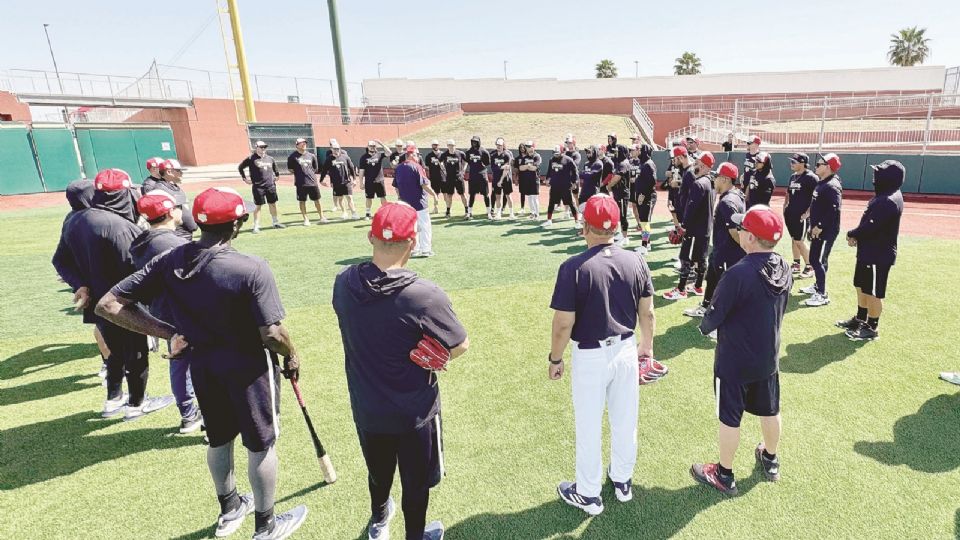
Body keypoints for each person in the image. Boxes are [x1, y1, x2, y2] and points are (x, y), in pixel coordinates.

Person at [96, 186, 309, 540]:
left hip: (203, 367)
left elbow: (108, 304)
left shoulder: (169, 260)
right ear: (238, 224)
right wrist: (293, 353)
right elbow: (271, 333)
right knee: (261, 444)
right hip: (250, 370)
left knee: (219, 439)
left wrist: (169, 333)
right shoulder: (252, 268)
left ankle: (229, 509)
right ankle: (266, 525)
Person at [332, 202, 469, 540]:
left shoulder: (343, 282)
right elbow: (460, 345)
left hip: (366, 405)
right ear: (413, 241)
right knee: (416, 482)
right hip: (415, 412)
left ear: (370, 237)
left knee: (378, 473)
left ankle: (379, 522)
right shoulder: (424, 295)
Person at [549, 194, 659, 516]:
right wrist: (647, 346)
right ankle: (623, 481)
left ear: (585, 226)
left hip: (590, 356)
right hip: (625, 350)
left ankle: (589, 494)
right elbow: (648, 313)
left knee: (588, 425)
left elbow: (562, 325)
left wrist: (555, 359)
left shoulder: (573, 267)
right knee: (626, 420)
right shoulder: (636, 260)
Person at [52, 168, 174, 420]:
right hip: (122, 303)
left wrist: (80, 285)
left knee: (114, 351)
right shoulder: (121, 227)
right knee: (136, 351)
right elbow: (137, 271)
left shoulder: (74, 218)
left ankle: (113, 398)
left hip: (95, 301)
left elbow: (60, 261)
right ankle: (137, 403)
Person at [692, 205, 791, 495]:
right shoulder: (784, 266)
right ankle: (771, 459)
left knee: (729, 417)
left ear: (751, 238)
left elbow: (714, 315)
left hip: (734, 360)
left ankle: (724, 474)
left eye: (743, 229)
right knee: (770, 409)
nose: (738, 231)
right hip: (767, 357)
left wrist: (704, 327)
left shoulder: (739, 273)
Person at [128, 191, 202, 433]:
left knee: (180, 361)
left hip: (159, 310)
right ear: (171, 212)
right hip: (180, 312)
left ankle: (189, 414)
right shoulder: (171, 243)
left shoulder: (142, 239)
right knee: (195, 364)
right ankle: (197, 416)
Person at [837, 160, 905, 341]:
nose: (875, 177)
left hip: (878, 254)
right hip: (869, 251)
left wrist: (852, 233)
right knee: (861, 285)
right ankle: (860, 318)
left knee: (874, 291)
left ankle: (871, 327)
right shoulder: (885, 195)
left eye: (879, 174)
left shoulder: (887, 200)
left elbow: (871, 226)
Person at [54, 178, 111, 379]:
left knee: (102, 325)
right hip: (108, 284)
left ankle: (110, 366)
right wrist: (79, 283)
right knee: (108, 327)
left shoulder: (70, 219)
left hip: (92, 285)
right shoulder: (100, 219)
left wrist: (79, 283)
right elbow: (60, 260)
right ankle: (113, 369)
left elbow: (60, 260)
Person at [683, 162, 746, 320]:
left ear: (724, 179)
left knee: (723, 287)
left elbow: (734, 231)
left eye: (716, 177)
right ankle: (705, 306)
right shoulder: (736, 194)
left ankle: (721, 319)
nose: (714, 180)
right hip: (720, 249)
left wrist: (745, 250)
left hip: (727, 253)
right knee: (711, 279)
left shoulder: (727, 202)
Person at [663, 152, 716, 300]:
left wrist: (683, 226)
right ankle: (698, 286)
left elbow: (692, 208)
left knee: (686, 258)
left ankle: (681, 289)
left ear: (704, 166)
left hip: (694, 228)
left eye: (698, 163)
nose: (695, 165)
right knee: (701, 258)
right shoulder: (711, 181)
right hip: (705, 228)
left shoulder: (699, 184)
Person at [801, 153, 843, 307]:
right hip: (818, 229)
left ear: (829, 167)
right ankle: (818, 285)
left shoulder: (832, 185)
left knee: (817, 260)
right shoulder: (823, 182)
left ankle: (822, 294)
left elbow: (834, 209)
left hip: (826, 231)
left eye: (819, 164)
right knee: (815, 259)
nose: (816, 166)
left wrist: (820, 226)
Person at [393, 144, 440, 258]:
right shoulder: (417, 167)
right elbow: (424, 184)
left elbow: (396, 187)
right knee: (424, 227)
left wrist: (400, 198)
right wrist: (434, 194)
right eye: (417, 154)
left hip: (406, 204)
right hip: (419, 203)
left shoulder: (399, 167)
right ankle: (426, 249)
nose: (419, 157)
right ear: (413, 154)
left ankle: (414, 249)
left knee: (411, 228)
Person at [239, 141, 285, 234]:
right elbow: (240, 167)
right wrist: (245, 179)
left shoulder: (270, 158)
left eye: (264, 147)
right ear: (256, 147)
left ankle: (275, 222)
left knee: (272, 204)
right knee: (258, 206)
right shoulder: (251, 158)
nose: (263, 149)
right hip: (258, 186)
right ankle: (256, 226)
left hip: (270, 185)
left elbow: (275, 169)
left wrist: (277, 175)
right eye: (261, 147)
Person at [783, 153, 818, 278]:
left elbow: (816, 197)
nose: (791, 163)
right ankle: (796, 263)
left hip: (801, 216)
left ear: (803, 163)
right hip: (791, 214)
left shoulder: (811, 178)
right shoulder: (793, 177)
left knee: (799, 241)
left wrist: (808, 213)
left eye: (794, 162)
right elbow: (788, 193)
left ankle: (810, 266)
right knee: (794, 239)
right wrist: (785, 205)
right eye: (791, 161)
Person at [147, 159, 198, 240]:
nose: (181, 174)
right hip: (178, 234)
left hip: (184, 232)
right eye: (178, 171)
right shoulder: (162, 190)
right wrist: (192, 225)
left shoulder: (172, 187)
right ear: (169, 172)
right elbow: (181, 212)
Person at [287, 137, 328, 226]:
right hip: (300, 183)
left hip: (312, 182)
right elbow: (291, 169)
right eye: (301, 143)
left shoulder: (311, 156)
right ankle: (306, 219)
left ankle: (322, 217)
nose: (303, 144)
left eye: (304, 143)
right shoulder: (292, 157)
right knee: (302, 201)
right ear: (297, 145)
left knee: (317, 200)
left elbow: (315, 168)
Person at [321, 141, 360, 220]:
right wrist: (321, 180)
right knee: (340, 198)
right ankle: (344, 212)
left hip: (346, 181)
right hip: (336, 182)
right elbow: (324, 170)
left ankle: (354, 213)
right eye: (334, 149)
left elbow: (352, 168)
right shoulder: (329, 159)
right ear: (331, 149)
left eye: (338, 149)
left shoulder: (345, 157)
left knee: (349, 197)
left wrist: (355, 179)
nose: (336, 150)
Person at [630, 144, 657, 254]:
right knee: (643, 221)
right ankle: (647, 244)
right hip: (642, 196)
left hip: (647, 197)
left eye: (640, 150)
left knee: (645, 222)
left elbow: (652, 182)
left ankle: (644, 246)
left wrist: (643, 195)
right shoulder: (644, 164)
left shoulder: (648, 165)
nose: (639, 152)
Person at [543, 145, 578, 228]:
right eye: (555, 153)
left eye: (558, 153)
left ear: (562, 152)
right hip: (554, 185)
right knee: (551, 202)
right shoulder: (551, 160)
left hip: (565, 185)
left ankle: (577, 221)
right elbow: (549, 171)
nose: (556, 155)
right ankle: (549, 220)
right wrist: (547, 179)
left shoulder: (568, 160)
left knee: (570, 203)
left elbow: (575, 171)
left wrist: (574, 182)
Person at [359, 140, 393, 220]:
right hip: (369, 181)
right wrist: (361, 182)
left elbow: (389, 152)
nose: (372, 147)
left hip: (379, 180)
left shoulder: (379, 154)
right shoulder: (363, 157)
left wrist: (381, 143)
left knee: (382, 197)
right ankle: (368, 213)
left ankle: (386, 213)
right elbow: (361, 171)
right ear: (368, 147)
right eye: (370, 146)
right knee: (369, 197)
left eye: (374, 146)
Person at [576, 145, 605, 231]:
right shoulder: (586, 164)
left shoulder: (598, 163)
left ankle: (594, 229)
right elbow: (584, 177)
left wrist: (582, 174)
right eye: (587, 153)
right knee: (583, 210)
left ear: (595, 153)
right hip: (584, 190)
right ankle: (586, 229)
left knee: (593, 212)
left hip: (593, 192)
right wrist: (583, 175)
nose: (588, 154)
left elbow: (590, 176)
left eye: (590, 152)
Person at [464, 135, 492, 220]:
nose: (474, 143)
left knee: (486, 194)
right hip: (473, 176)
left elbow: (487, 162)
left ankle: (489, 213)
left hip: (482, 175)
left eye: (475, 141)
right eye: (472, 141)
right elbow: (468, 161)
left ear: (479, 142)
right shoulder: (468, 151)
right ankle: (469, 213)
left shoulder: (483, 151)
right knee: (472, 194)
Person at [439, 140, 469, 218]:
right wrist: (443, 168)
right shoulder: (444, 154)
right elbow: (440, 161)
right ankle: (448, 212)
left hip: (459, 177)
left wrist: (463, 170)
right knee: (449, 195)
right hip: (449, 178)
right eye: (449, 145)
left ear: (455, 146)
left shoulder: (460, 153)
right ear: (447, 146)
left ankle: (467, 210)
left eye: (452, 145)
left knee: (462, 194)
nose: (451, 147)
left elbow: (466, 162)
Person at [490, 137, 514, 219]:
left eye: (500, 145)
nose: (498, 147)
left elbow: (507, 168)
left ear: (503, 145)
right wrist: (501, 167)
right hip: (496, 178)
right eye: (497, 145)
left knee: (508, 195)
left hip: (505, 178)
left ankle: (511, 213)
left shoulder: (507, 155)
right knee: (497, 196)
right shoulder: (493, 155)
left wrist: (501, 180)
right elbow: (493, 168)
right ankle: (498, 213)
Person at [516, 141, 542, 219]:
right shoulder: (525, 157)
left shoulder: (537, 156)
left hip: (534, 180)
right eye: (527, 147)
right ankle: (532, 213)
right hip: (526, 180)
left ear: (533, 147)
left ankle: (537, 214)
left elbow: (535, 168)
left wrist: (526, 167)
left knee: (534, 197)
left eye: (530, 146)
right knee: (529, 197)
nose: (528, 148)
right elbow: (520, 168)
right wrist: (528, 166)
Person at [423, 140, 446, 214]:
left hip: (443, 177)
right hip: (434, 177)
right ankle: (436, 208)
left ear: (439, 145)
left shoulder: (443, 154)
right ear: (432, 146)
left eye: (436, 145)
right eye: (434, 145)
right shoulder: (429, 156)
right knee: (435, 193)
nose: (435, 146)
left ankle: (447, 208)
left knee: (445, 193)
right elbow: (426, 166)